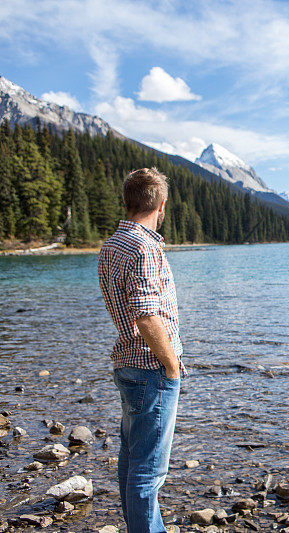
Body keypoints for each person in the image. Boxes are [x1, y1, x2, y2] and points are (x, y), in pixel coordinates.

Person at [98, 167, 185, 533]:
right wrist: (171, 365)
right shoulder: (145, 246)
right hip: (151, 369)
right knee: (149, 471)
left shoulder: (111, 245)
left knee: (132, 461)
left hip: (128, 365)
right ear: (161, 205)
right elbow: (147, 315)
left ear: (127, 201)